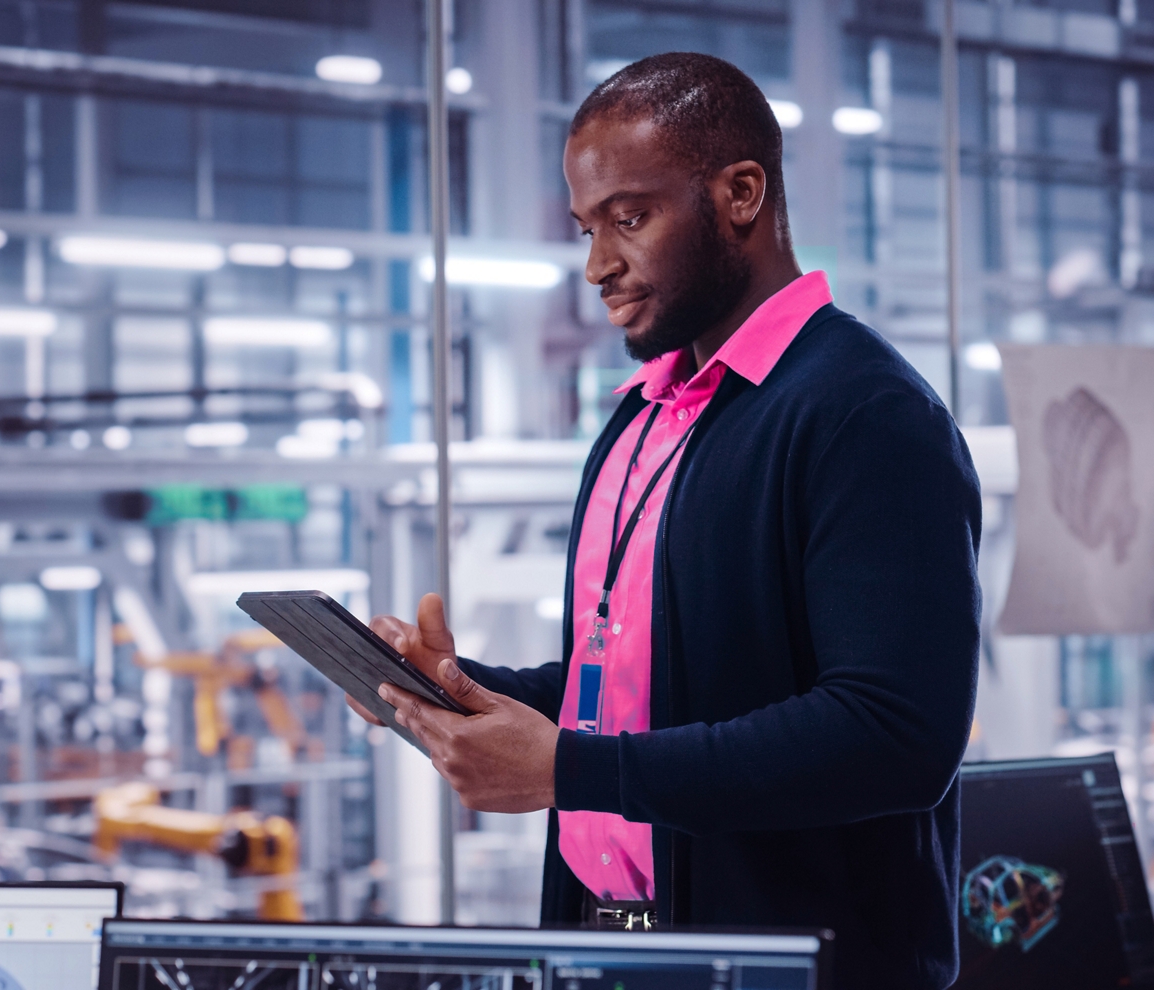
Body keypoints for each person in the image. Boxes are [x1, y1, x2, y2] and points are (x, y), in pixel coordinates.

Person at [350, 52, 981, 989]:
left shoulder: (865, 414)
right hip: (622, 942)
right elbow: (639, 681)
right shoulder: (644, 419)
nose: (599, 265)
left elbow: (893, 736)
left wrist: (570, 772)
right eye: (586, 229)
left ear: (740, 194)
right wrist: (454, 691)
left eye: (630, 218)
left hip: (799, 965)